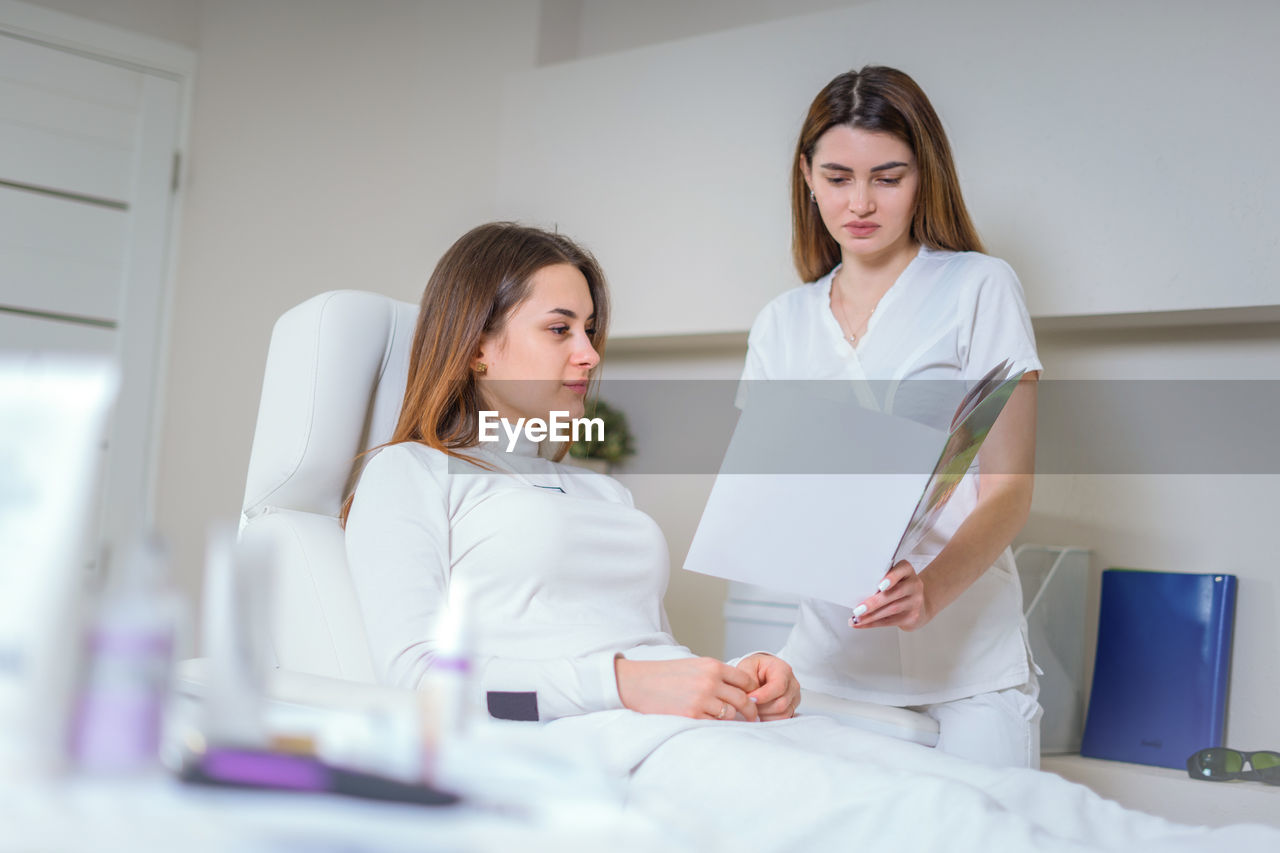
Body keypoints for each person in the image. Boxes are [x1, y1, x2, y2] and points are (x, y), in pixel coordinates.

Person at [342, 221, 1277, 852]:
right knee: (933, 817)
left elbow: (648, 645)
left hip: (692, 723)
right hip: (610, 743)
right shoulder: (411, 477)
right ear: (475, 344)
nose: (589, 352)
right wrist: (629, 684)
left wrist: (738, 674)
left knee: (1026, 802)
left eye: (591, 327)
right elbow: (423, 686)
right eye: (560, 327)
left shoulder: (594, 489)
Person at [738, 66, 1044, 767]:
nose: (861, 202)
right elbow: (770, 497)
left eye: (888, 176)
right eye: (839, 177)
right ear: (807, 176)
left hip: (969, 671)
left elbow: (1010, 487)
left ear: (923, 175)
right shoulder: (780, 325)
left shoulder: (980, 288)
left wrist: (932, 587)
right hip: (825, 668)